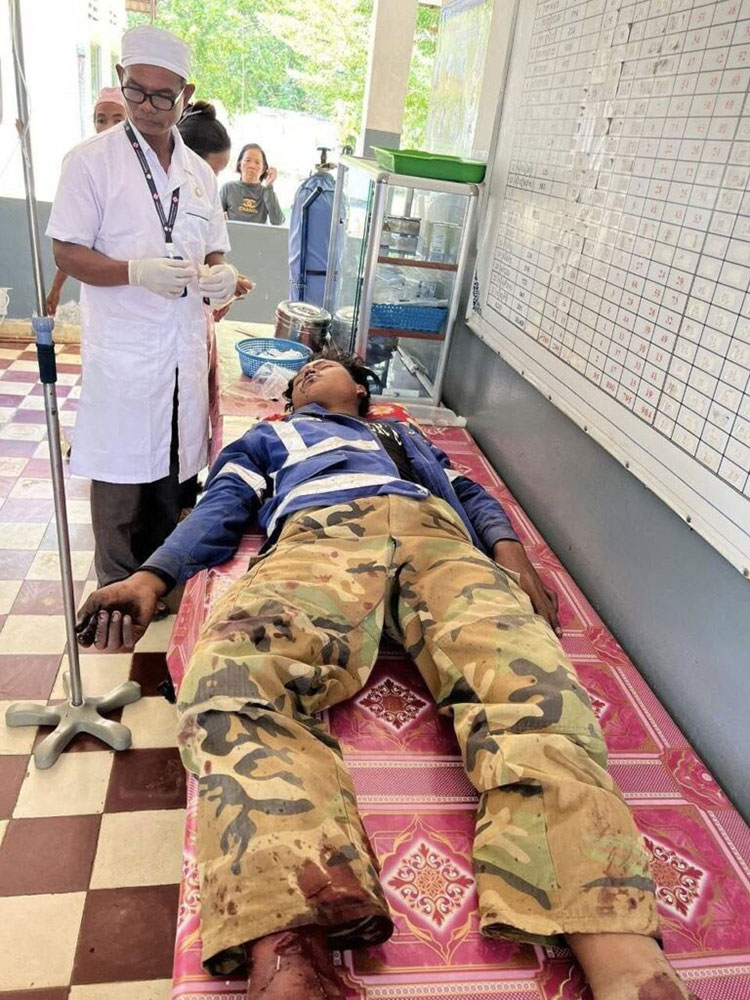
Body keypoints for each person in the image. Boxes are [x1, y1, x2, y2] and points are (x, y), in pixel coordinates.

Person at [77, 353, 696, 1000]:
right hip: (320, 539)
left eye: (320, 366)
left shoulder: (402, 435)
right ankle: (289, 940)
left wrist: (514, 559)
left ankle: (617, 945)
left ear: (361, 389)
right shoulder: (269, 438)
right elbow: (220, 506)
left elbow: (471, 495)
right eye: (298, 377)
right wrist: (152, 576)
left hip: (440, 543)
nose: (304, 374)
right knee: (231, 674)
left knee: (530, 681)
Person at [46, 25, 238, 605]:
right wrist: (134, 271)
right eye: (136, 91)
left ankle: (159, 585)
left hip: (183, 350)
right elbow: (66, 251)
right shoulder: (90, 162)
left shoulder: (199, 173)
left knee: (174, 478)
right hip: (125, 353)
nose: (148, 107)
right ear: (121, 81)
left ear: (186, 93)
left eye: (163, 95)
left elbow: (214, 249)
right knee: (121, 478)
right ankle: (114, 592)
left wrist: (221, 275)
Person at [45, 87, 128, 316]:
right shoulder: (82, 165)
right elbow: (73, 244)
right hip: (102, 292)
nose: (108, 127)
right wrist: (56, 288)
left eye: (118, 120)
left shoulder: (144, 169)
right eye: (101, 120)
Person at [221, 143, 285, 225]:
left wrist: (269, 186)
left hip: (259, 234)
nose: (252, 166)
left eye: (257, 163)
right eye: (247, 160)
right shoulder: (228, 188)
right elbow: (213, 215)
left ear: (263, 169)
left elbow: (277, 222)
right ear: (240, 165)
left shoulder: (266, 192)